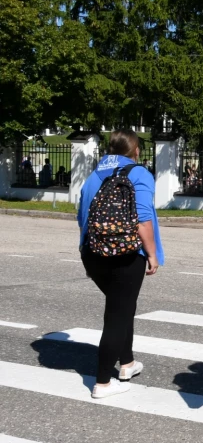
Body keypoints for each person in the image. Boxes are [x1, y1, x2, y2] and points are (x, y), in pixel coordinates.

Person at [77, 129, 163, 399]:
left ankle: (127, 363)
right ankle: (103, 382)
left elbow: (81, 217)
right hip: (127, 254)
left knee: (122, 306)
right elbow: (143, 219)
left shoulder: (93, 176)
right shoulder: (138, 174)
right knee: (117, 313)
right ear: (135, 150)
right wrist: (151, 253)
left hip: (93, 252)